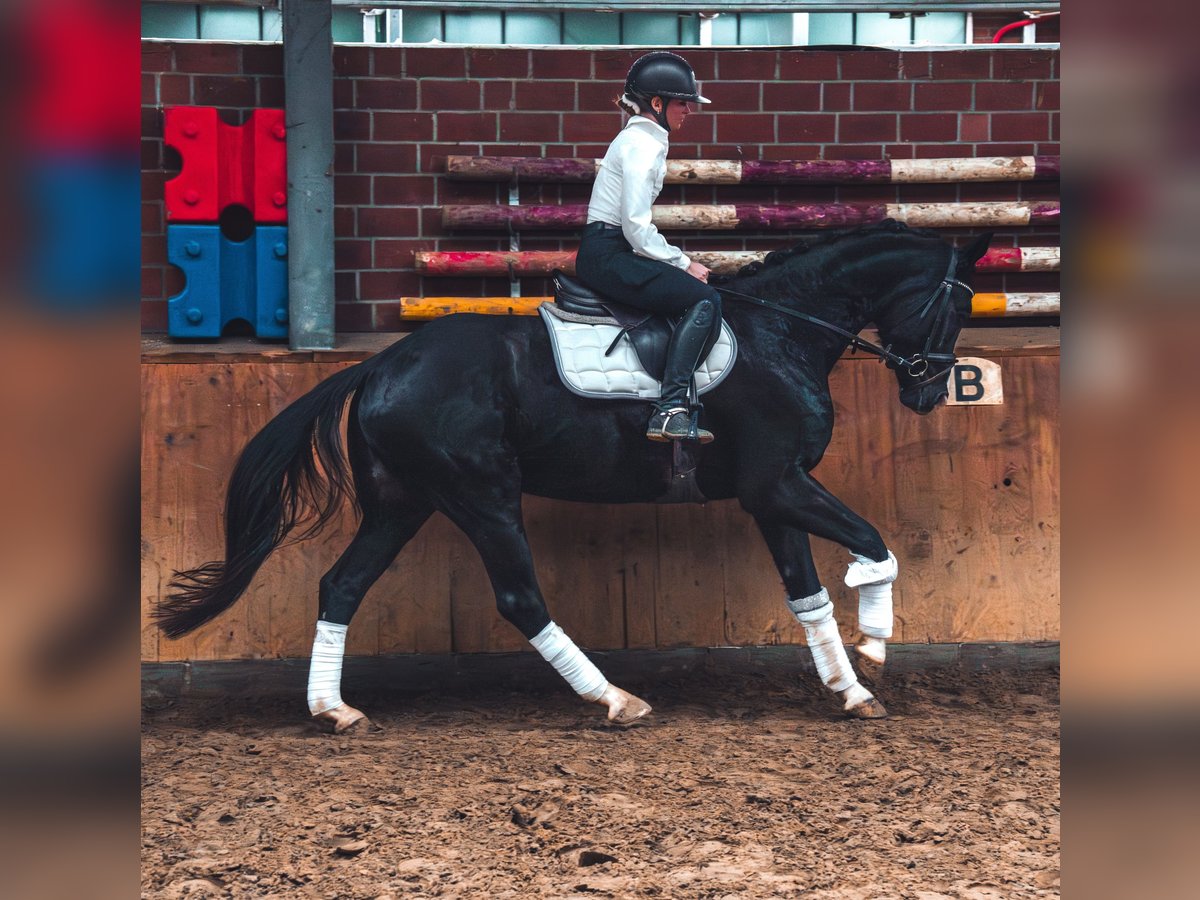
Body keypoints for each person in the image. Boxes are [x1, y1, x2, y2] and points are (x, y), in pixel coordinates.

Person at [575, 51, 723, 444]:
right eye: (681, 102)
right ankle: (670, 408)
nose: (689, 110)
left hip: (610, 250)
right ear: (656, 103)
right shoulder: (642, 144)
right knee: (704, 301)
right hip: (609, 253)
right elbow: (636, 227)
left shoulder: (643, 139)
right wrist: (683, 262)